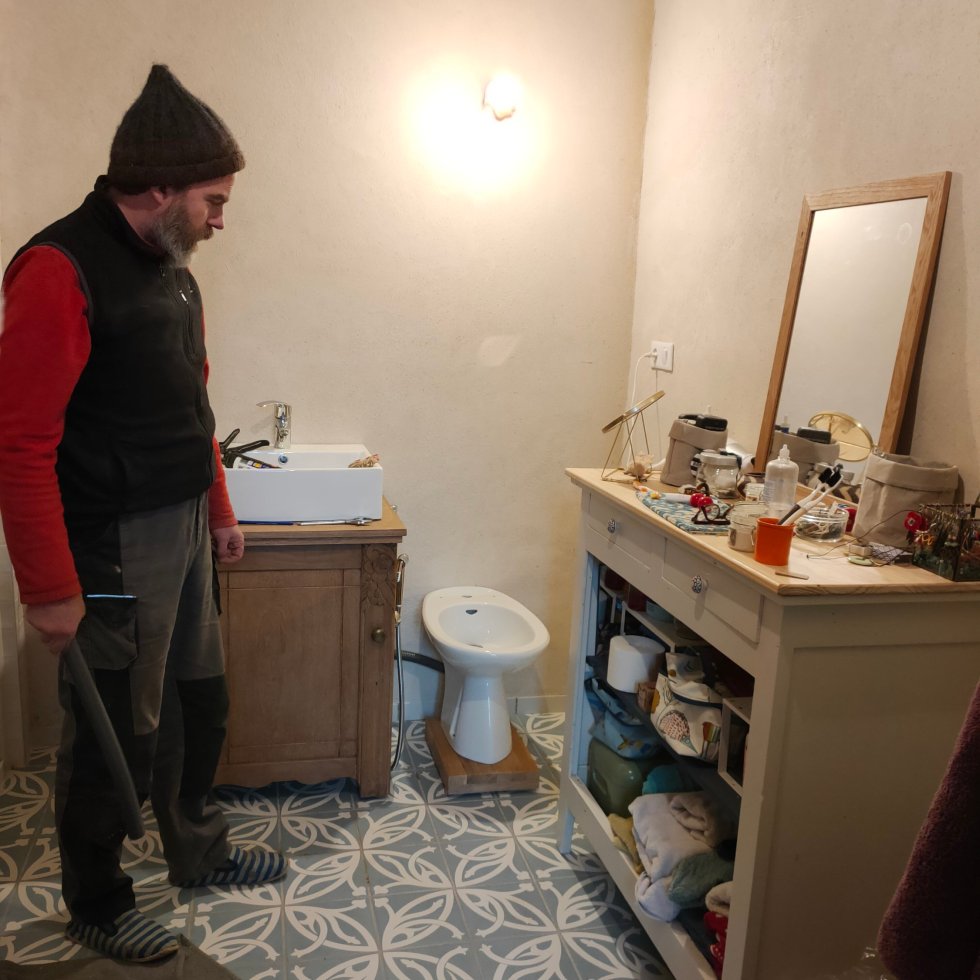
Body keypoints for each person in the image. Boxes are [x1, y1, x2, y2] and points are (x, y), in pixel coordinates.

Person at [0, 64, 285, 963]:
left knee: (200, 701)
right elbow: (19, 443)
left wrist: (220, 508)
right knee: (114, 727)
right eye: (214, 200)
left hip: (185, 527)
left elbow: (193, 404)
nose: (221, 219)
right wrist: (47, 588)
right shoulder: (58, 270)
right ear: (161, 187)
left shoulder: (172, 270)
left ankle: (198, 852)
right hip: (111, 544)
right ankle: (97, 899)